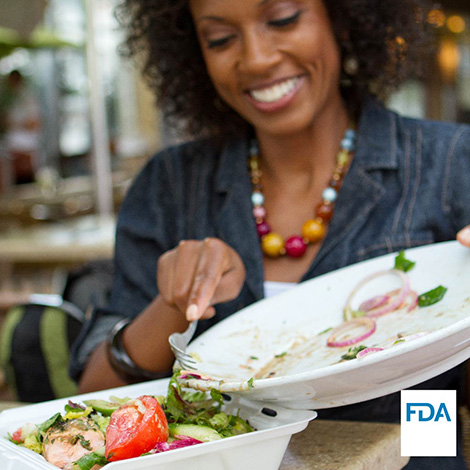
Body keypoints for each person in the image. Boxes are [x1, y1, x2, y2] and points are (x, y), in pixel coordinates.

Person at [70, 0, 470, 467]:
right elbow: (92, 399)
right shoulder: (172, 185)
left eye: (283, 19)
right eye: (220, 39)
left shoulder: (450, 164)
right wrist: (173, 308)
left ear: (341, 17)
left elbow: (447, 408)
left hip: (418, 446)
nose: (257, 58)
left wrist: (412, 446)